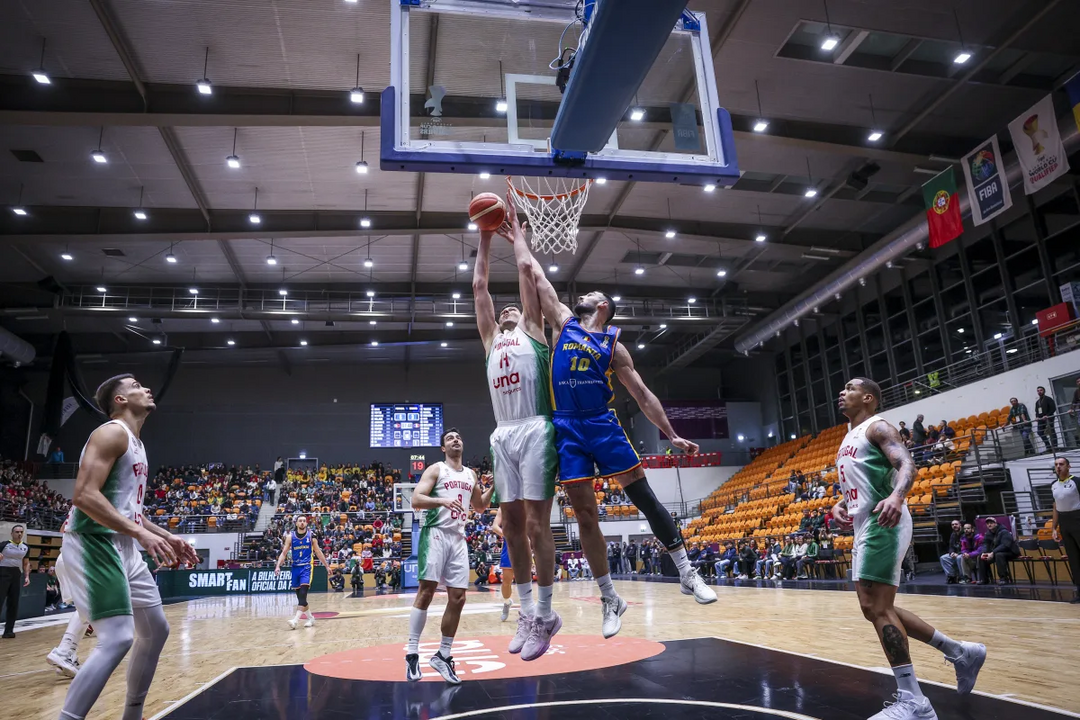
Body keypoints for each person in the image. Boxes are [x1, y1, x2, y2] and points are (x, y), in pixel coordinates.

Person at [499, 195, 716, 632]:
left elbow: (642, 394)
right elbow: (534, 273)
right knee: (585, 514)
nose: (584, 294)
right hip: (566, 427)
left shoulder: (613, 344)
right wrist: (517, 235)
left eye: (592, 295)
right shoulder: (563, 322)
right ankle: (610, 598)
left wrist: (670, 433)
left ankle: (687, 572)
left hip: (601, 422)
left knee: (644, 497)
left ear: (603, 307)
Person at [834, 377, 985, 720]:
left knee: (876, 607)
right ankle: (960, 652)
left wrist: (897, 497)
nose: (842, 392)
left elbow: (907, 465)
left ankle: (914, 702)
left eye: (850, 388)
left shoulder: (878, 427)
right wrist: (840, 504)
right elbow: (861, 480)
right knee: (875, 608)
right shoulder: (848, 435)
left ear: (868, 398)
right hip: (864, 522)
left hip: (883, 520)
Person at [57, 373, 198, 720]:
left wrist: (165, 535)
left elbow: (128, 510)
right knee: (118, 638)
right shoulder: (111, 433)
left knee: (156, 630)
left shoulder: (137, 443)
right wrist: (140, 534)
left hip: (123, 545)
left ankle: (132, 715)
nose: (146, 388)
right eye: (135, 386)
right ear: (119, 400)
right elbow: (84, 495)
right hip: (94, 542)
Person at [474, 218, 560, 658]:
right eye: (503, 309)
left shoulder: (533, 329)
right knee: (510, 528)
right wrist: (484, 237)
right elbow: (479, 287)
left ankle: (545, 612)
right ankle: (526, 613)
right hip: (502, 434)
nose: (507, 310)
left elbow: (526, 270)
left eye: (513, 308)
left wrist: (517, 236)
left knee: (535, 525)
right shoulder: (491, 339)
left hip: (534, 426)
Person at [405, 429, 495, 683]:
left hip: (457, 537)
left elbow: (479, 506)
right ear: (443, 448)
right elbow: (416, 499)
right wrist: (442, 501)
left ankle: (443, 656)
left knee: (458, 597)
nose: (456, 439)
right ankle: (412, 653)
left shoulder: (470, 475)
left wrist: (494, 485)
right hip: (435, 532)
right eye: (450, 438)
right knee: (426, 592)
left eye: (458, 437)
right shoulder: (436, 469)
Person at [274, 515, 330, 629]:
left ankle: (295, 620)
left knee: (303, 594)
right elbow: (284, 553)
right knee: (301, 598)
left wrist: (326, 566)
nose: (302, 522)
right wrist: (278, 566)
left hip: (307, 567)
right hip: (295, 567)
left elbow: (318, 552)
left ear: (306, 523)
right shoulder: (290, 537)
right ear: (296, 523)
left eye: (304, 521)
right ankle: (311, 618)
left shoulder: (311, 536)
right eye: (300, 521)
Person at [46, 551, 92, 678]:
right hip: (80, 558)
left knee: (86, 607)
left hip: (68, 557)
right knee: (90, 605)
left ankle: (69, 655)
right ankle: (63, 651)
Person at [1049, 457, 1080, 603]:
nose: (1058, 467)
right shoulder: (1053, 485)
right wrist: (1054, 528)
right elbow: (1055, 507)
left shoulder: (1076, 482)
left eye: (1061, 464)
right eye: (1056, 464)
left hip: (1077, 518)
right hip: (1064, 522)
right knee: (1073, 558)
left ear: (1068, 466)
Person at [0, 523, 30, 638]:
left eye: (21, 532)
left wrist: (27, 576)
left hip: (16, 574)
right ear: (12, 533)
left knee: (13, 603)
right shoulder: (4, 544)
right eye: (17, 532)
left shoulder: (26, 547)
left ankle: (8, 631)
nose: (19, 534)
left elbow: (26, 563)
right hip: (2, 573)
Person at [490, 507, 518, 622]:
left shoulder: (527, 503)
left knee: (525, 580)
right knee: (506, 582)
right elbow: (494, 526)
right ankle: (507, 602)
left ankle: (527, 611)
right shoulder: (504, 507)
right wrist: (506, 534)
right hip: (509, 546)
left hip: (524, 544)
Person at [978, 517, 1019, 585]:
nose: (989, 525)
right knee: (981, 557)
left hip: (1010, 552)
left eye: (991, 523)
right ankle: (984, 579)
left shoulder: (1004, 531)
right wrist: (984, 553)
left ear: (996, 524)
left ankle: (1004, 578)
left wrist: (993, 552)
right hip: (996, 552)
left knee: (999, 555)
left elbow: (1005, 545)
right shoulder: (988, 534)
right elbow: (985, 544)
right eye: (988, 523)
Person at [1035, 386, 1058, 452]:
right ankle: (1048, 446)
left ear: (1044, 391)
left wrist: (1047, 415)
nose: (1039, 392)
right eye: (1038, 391)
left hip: (1049, 418)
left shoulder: (1048, 399)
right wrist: (1037, 417)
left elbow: (1053, 408)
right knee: (1040, 432)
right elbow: (1037, 411)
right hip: (1041, 419)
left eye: (1041, 390)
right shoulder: (1037, 402)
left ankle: (1055, 446)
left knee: (1051, 431)